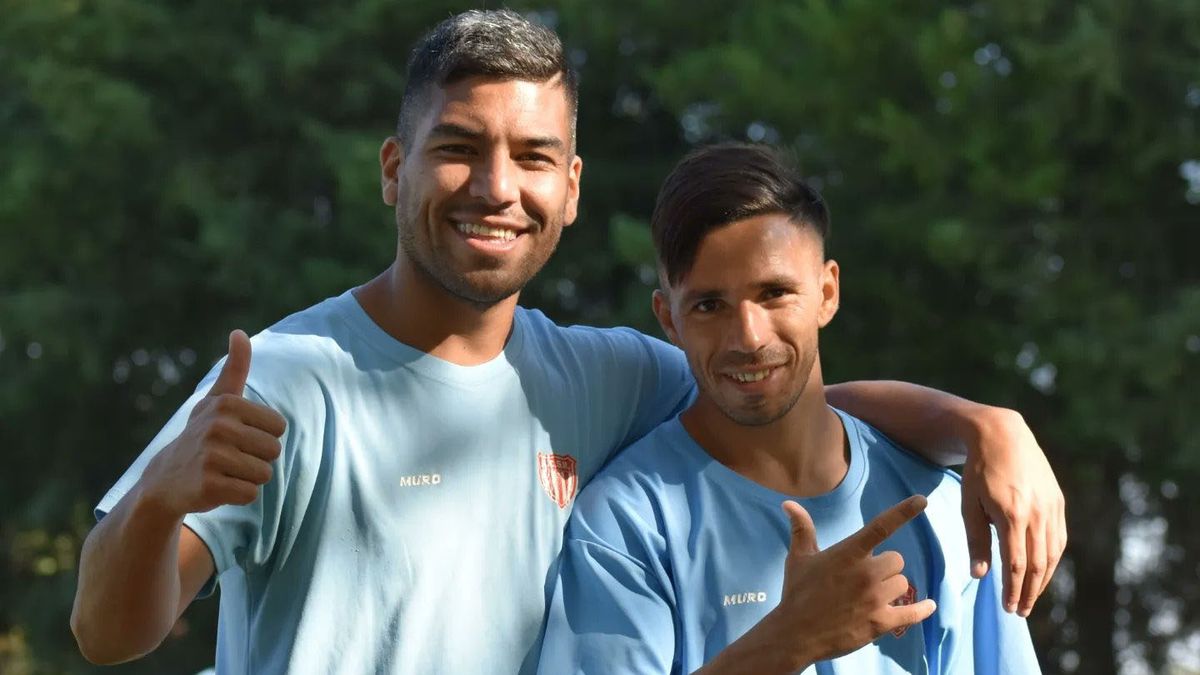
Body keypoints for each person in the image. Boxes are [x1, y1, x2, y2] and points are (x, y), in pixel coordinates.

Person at [70, 10, 1061, 674]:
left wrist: (985, 428)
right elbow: (107, 635)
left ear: (572, 189)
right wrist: (157, 502)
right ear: (392, 170)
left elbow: (777, 390)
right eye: (458, 148)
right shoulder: (285, 378)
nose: (498, 187)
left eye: (532, 157)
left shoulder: (608, 373)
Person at [537, 143, 1042, 674]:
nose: (749, 337)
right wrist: (790, 641)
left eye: (775, 293)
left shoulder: (942, 506)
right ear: (668, 319)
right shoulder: (627, 523)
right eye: (709, 305)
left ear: (827, 292)